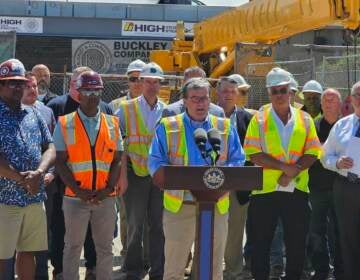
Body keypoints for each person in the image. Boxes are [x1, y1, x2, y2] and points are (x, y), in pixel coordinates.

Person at [148, 77, 245, 280]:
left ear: (210, 100)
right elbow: (155, 162)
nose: (200, 103)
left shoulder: (225, 127)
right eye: (194, 98)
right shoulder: (167, 126)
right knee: (174, 269)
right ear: (184, 101)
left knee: (212, 270)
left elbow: (238, 160)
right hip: (181, 207)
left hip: (216, 206)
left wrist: (223, 185)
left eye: (204, 98)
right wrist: (164, 177)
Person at [244, 67, 321, 280]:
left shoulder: (304, 119)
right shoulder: (258, 119)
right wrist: (284, 168)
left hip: (296, 189)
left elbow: (313, 151)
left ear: (291, 92)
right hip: (265, 191)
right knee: (261, 243)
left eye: (282, 90)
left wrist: (292, 172)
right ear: (269, 93)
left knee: (296, 243)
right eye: (274, 90)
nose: (279, 94)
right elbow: (253, 153)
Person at [53, 70, 123, 280]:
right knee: (72, 247)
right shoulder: (65, 123)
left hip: (105, 198)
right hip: (75, 198)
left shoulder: (112, 123)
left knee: (105, 249)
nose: (92, 95)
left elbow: (117, 159)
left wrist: (108, 189)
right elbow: (59, 161)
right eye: (87, 90)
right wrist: (77, 190)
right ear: (78, 93)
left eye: (96, 90)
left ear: (101, 92)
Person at [0, 59, 56, 279]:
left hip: (33, 198)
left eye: (20, 82)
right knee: (3, 257)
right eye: (10, 82)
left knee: (28, 252)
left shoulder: (33, 113)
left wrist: (40, 173)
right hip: (5, 199)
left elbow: (50, 146)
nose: (17, 87)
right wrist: (22, 179)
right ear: (1, 85)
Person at [116, 62, 166, 280]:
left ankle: (157, 270)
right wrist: (122, 177)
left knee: (157, 225)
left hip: (159, 176)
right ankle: (133, 270)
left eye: (156, 82)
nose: (152, 86)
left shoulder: (167, 110)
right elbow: (118, 146)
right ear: (141, 82)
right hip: (134, 174)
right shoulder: (125, 109)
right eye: (147, 81)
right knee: (135, 224)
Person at [321, 81, 360, 279]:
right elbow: (324, 156)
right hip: (347, 189)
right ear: (351, 99)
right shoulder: (342, 125)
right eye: (358, 95)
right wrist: (337, 162)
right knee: (348, 237)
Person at [215, 75, 253, 280]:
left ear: (237, 94)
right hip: (210, 185)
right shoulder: (207, 115)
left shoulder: (248, 119)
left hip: (238, 187)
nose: (228, 95)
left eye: (232, 91)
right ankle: (204, 270)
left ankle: (233, 271)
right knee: (208, 229)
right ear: (217, 93)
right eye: (224, 91)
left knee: (235, 232)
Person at [308, 88, 344, 280]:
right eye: (326, 100)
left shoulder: (347, 126)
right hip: (317, 188)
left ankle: (340, 270)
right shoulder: (312, 126)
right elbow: (307, 154)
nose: (329, 103)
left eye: (333, 100)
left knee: (341, 231)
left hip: (342, 188)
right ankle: (321, 270)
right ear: (321, 104)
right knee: (316, 231)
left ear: (340, 104)